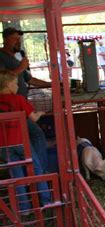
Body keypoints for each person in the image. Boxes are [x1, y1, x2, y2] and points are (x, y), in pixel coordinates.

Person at [0, 27, 50, 172]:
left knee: (30, 137)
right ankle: (41, 172)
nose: (18, 42)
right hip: (10, 109)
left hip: (19, 108)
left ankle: (31, 175)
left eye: (20, 40)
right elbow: (3, 79)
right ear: (5, 39)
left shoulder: (16, 59)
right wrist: (21, 68)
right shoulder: (1, 57)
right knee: (37, 134)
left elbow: (30, 79)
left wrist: (53, 84)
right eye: (15, 39)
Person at [0, 70, 51, 211]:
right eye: (16, 83)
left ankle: (24, 208)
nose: (18, 86)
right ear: (8, 85)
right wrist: (40, 113)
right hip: (20, 142)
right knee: (37, 169)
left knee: (16, 175)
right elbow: (33, 118)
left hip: (3, 146)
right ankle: (46, 201)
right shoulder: (18, 99)